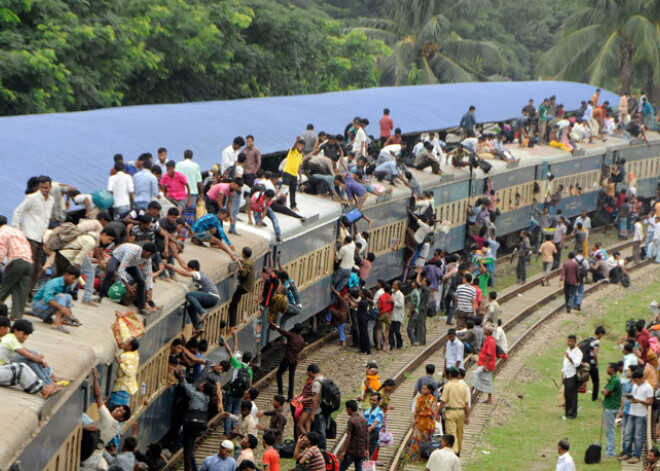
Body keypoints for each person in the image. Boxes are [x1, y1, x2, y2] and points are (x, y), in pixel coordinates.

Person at [12, 176, 54, 294]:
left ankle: (27, 294)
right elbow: (17, 212)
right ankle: (21, 292)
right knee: (28, 267)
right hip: (29, 236)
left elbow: (46, 219)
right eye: (42, 187)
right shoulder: (32, 198)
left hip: (41, 238)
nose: (44, 190)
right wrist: (17, 231)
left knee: (36, 269)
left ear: (50, 187)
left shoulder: (51, 200)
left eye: (46, 187)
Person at [97, 243, 157, 315]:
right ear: (144, 251)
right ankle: (100, 295)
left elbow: (149, 274)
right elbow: (121, 270)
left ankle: (141, 307)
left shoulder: (148, 258)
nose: (150, 256)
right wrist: (127, 285)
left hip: (131, 264)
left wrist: (150, 289)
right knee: (110, 271)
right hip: (118, 257)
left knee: (141, 281)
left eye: (151, 255)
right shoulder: (132, 252)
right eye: (149, 254)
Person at [166, 259, 220, 334]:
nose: (188, 270)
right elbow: (184, 265)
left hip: (211, 296)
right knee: (190, 308)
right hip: (212, 298)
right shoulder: (197, 273)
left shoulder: (197, 274)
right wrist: (177, 257)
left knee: (189, 294)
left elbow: (185, 273)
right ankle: (198, 327)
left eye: (189, 269)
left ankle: (202, 313)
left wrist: (173, 267)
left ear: (193, 269)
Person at [174, 367, 212, 471]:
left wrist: (182, 378)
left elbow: (187, 388)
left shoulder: (196, 395)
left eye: (202, 384)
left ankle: (190, 468)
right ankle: (192, 468)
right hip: (199, 425)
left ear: (203, 388)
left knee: (187, 449)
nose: (200, 384)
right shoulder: (206, 398)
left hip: (191, 423)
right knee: (190, 446)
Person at [0, 216, 34, 320]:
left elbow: (1, 250)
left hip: (16, 262)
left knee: (5, 288)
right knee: (21, 291)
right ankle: (16, 316)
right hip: (29, 262)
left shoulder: (2, 232)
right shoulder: (18, 232)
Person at [30, 265, 81, 333]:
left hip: (45, 311)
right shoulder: (54, 283)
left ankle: (65, 319)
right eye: (73, 278)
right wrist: (62, 308)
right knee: (62, 296)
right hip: (37, 307)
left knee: (68, 296)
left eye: (75, 279)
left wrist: (68, 313)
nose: (74, 281)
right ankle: (56, 324)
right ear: (66, 274)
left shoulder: (67, 284)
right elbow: (47, 298)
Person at [620, 369, 653, 463]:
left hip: (641, 414)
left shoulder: (648, 388)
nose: (636, 382)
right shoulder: (634, 385)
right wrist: (631, 399)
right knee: (627, 433)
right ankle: (627, 452)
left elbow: (650, 402)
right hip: (631, 412)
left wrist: (639, 401)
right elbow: (633, 396)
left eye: (637, 380)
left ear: (641, 378)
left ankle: (637, 455)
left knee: (638, 436)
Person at [110, 310, 140, 408]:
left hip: (122, 390)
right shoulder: (134, 352)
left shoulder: (127, 356)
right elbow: (125, 334)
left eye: (126, 342)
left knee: (115, 412)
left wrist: (120, 363)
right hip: (126, 390)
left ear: (130, 346)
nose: (124, 342)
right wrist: (120, 319)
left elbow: (130, 372)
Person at [440, 367, 470, 455]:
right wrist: (467, 417)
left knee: (452, 434)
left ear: (449, 375)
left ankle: (454, 452)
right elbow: (466, 404)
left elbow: (443, 402)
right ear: (458, 375)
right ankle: (458, 451)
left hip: (450, 412)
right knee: (459, 433)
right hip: (461, 412)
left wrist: (438, 413)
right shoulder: (463, 386)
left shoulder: (447, 386)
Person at [270, 321, 303, 400]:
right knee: (291, 377)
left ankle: (280, 393)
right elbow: (301, 348)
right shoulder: (301, 339)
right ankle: (290, 396)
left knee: (279, 373)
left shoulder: (291, 336)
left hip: (287, 359)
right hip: (295, 360)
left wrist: (277, 326)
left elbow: (283, 331)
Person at [408, 383, 437, 462]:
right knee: (415, 440)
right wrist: (414, 420)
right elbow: (416, 410)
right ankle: (414, 457)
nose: (423, 390)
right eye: (422, 389)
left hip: (427, 423)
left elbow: (433, 413)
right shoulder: (419, 397)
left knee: (425, 440)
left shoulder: (431, 399)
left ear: (430, 390)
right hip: (418, 422)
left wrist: (432, 425)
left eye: (425, 389)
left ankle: (424, 458)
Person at [337, 400, 369, 471]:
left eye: (346, 409)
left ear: (349, 409)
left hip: (351, 451)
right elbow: (366, 436)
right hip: (361, 451)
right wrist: (366, 449)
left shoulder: (351, 421)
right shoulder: (364, 420)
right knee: (358, 469)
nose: (346, 411)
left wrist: (344, 451)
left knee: (342, 468)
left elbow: (348, 437)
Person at [228, 247, 255, 327]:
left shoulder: (247, 263)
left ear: (243, 254)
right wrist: (240, 260)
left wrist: (239, 265)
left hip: (244, 287)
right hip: (248, 286)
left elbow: (243, 275)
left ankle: (232, 324)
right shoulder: (251, 261)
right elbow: (246, 263)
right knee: (236, 300)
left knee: (233, 304)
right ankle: (233, 323)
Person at [471, 324, 496, 403]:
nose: (484, 331)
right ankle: (489, 398)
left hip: (486, 365)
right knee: (487, 380)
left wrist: (485, 365)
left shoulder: (490, 341)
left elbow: (489, 354)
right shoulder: (489, 339)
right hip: (486, 364)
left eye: (485, 330)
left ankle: (470, 394)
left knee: (476, 374)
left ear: (488, 332)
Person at [601, 362, 621, 458]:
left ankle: (611, 451)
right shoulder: (613, 379)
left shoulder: (615, 380)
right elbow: (605, 390)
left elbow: (605, 392)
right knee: (609, 430)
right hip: (609, 406)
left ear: (612, 369)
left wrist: (606, 392)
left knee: (610, 431)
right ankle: (609, 449)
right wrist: (606, 392)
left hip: (611, 407)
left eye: (608, 368)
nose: (607, 370)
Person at [562, 334, 583, 420]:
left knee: (572, 395)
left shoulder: (577, 352)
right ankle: (567, 413)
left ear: (575, 342)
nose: (569, 343)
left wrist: (569, 357)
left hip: (573, 375)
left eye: (571, 341)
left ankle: (572, 414)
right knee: (566, 394)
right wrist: (562, 377)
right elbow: (564, 365)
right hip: (566, 375)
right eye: (568, 341)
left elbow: (577, 363)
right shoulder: (567, 350)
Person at [282, 138, 305, 211]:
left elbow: (299, 166)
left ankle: (293, 205)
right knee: (284, 189)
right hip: (288, 172)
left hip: (294, 175)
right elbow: (294, 147)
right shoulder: (293, 151)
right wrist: (296, 141)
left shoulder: (301, 155)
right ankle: (282, 203)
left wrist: (300, 176)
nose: (301, 146)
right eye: (299, 144)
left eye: (302, 145)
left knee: (293, 191)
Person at [364, 393, 384, 460]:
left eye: (374, 400)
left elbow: (373, 426)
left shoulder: (379, 413)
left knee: (368, 456)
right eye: (371, 400)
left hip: (374, 437)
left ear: (378, 401)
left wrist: (364, 433)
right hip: (367, 436)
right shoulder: (367, 411)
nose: (371, 402)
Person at [390, 280, 404, 350]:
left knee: (397, 331)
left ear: (398, 286)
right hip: (393, 315)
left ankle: (400, 344)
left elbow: (401, 305)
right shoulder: (393, 294)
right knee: (391, 331)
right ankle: (392, 344)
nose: (393, 286)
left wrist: (393, 302)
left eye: (394, 285)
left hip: (398, 315)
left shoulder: (400, 295)